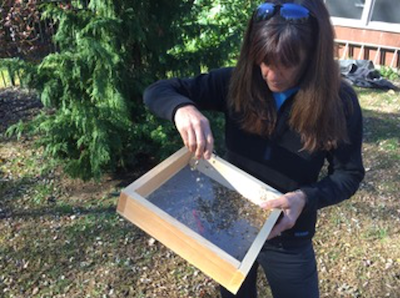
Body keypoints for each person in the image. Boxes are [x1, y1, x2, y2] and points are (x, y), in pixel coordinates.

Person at [143, 0, 365, 297]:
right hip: (230, 225)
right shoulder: (236, 82)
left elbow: (349, 174)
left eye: (287, 63)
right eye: (263, 60)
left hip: (289, 235)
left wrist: (305, 198)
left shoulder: (340, 102)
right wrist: (182, 109)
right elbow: (158, 90)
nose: (271, 75)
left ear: (313, 55)